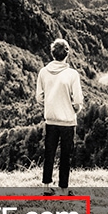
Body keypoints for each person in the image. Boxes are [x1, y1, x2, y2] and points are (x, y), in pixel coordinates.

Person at [36, 38, 83, 195]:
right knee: (65, 155)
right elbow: (77, 101)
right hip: (68, 121)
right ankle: (64, 189)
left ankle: (46, 187)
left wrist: (50, 105)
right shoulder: (72, 74)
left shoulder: (43, 72)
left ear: (52, 53)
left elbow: (39, 97)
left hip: (50, 119)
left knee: (49, 152)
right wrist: (73, 110)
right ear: (67, 54)